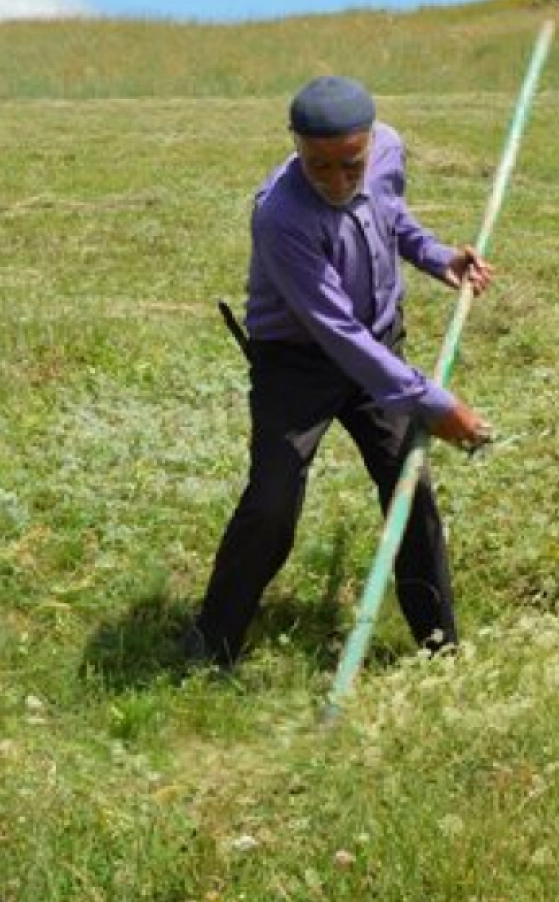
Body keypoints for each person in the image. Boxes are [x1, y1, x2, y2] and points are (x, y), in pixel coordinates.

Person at [185, 76, 495, 669]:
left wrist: (437, 258)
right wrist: (435, 404)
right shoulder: (279, 216)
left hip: (377, 344)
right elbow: (337, 333)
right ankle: (212, 641)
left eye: (349, 165)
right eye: (317, 165)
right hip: (298, 364)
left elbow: (392, 217)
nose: (335, 180)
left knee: (410, 492)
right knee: (272, 502)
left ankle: (440, 648)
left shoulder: (389, 153)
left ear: (372, 144)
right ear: (295, 146)